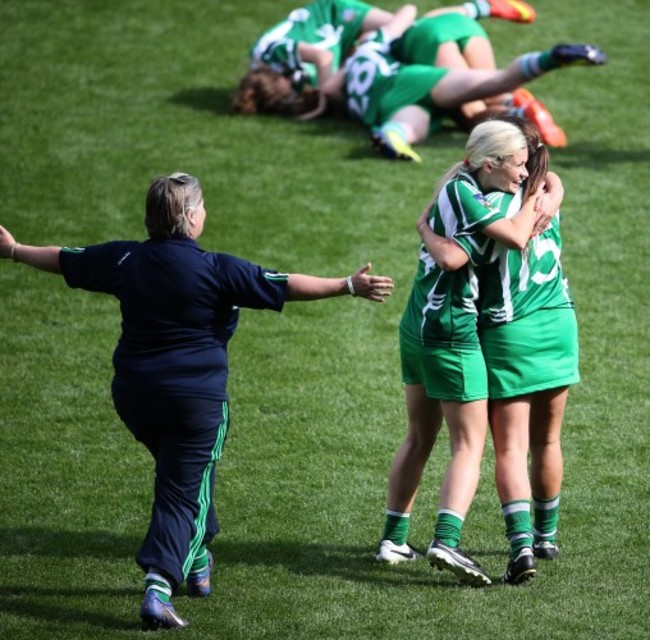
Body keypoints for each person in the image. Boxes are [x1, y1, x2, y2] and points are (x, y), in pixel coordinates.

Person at [0, 172, 394, 629]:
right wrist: (348, 285)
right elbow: (286, 285)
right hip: (194, 404)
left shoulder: (126, 258)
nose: (206, 212)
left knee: (181, 479)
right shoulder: (216, 269)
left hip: (134, 398)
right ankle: (160, 584)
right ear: (190, 217)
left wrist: (13, 251)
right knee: (181, 492)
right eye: (202, 206)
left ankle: (200, 558)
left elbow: (68, 259)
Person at [383, 115, 575, 585]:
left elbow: (445, 241)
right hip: (478, 330)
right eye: (518, 164)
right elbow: (476, 248)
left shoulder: (457, 185)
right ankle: (467, 540)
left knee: (419, 437)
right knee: (484, 444)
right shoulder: (520, 206)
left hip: (419, 325)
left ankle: (393, 538)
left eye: (527, 165)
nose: (524, 171)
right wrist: (551, 190)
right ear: (491, 162)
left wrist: (424, 229)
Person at [319, 4, 606, 161]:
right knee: (495, 86)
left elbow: (330, 89)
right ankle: (535, 76)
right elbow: (411, 11)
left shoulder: (356, 63)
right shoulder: (380, 43)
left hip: (391, 91)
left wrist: (336, 106)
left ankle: (521, 108)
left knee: (470, 116)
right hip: (459, 30)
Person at [236, 0, 537, 118]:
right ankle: (507, 104)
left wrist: (327, 95)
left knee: (411, 31)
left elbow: (321, 54)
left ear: (283, 76)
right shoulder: (277, 72)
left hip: (340, 18)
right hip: (346, 48)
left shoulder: (267, 53)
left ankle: (478, 7)